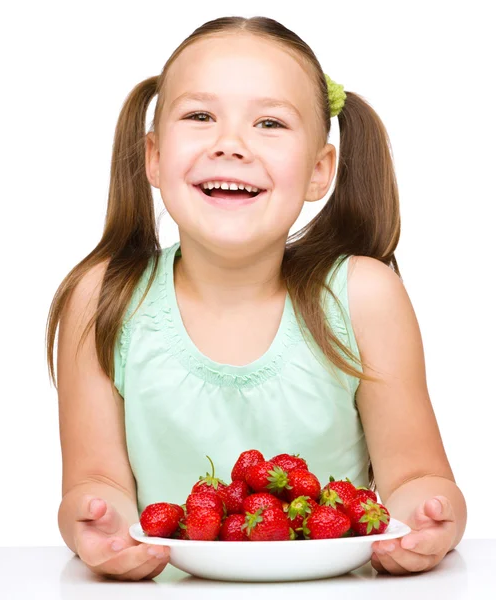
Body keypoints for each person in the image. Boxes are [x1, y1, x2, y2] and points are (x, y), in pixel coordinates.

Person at [46, 15, 467, 582]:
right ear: (152, 156)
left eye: (269, 122)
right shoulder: (103, 299)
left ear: (320, 171)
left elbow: (417, 475)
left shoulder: (363, 296)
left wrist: (428, 516)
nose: (230, 144)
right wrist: (96, 523)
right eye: (200, 116)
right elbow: (97, 484)